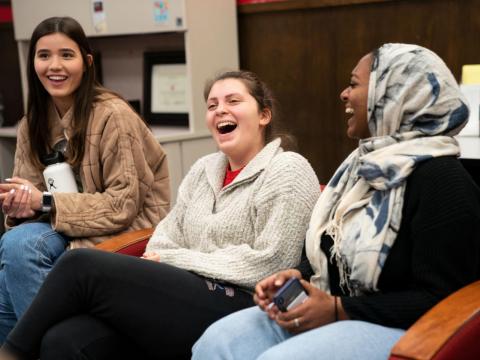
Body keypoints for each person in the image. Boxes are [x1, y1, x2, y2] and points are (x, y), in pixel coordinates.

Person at [0, 69, 320, 359]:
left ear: (264, 115)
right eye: (212, 105)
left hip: (248, 302)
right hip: (185, 291)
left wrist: (178, 260)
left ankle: (11, 353)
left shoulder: (288, 169)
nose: (220, 110)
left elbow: (271, 263)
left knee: (79, 264)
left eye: (233, 101)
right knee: (64, 339)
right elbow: (164, 236)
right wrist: (173, 259)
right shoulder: (203, 169)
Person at [191, 43, 480, 360]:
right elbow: (329, 253)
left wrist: (339, 309)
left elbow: (447, 300)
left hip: (404, 328)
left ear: (395, 94)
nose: (343, 94)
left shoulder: (442, 178)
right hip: (332, 310)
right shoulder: (358, 169)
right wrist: (296, 277)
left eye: (354, 84)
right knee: (217, 342)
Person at [0, 17, 171, 344]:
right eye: (44, 55)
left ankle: (61, 347)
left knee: (21, 247)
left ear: (87, 62)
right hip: (66, 230)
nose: (54, 66)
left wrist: (43, 202)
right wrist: (20, 205)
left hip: (127, 228)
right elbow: (33, 205)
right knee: (8, 269)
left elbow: (122, 206)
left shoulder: (113, 115)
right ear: (32, 62)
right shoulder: (31, 124)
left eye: (66, 55)